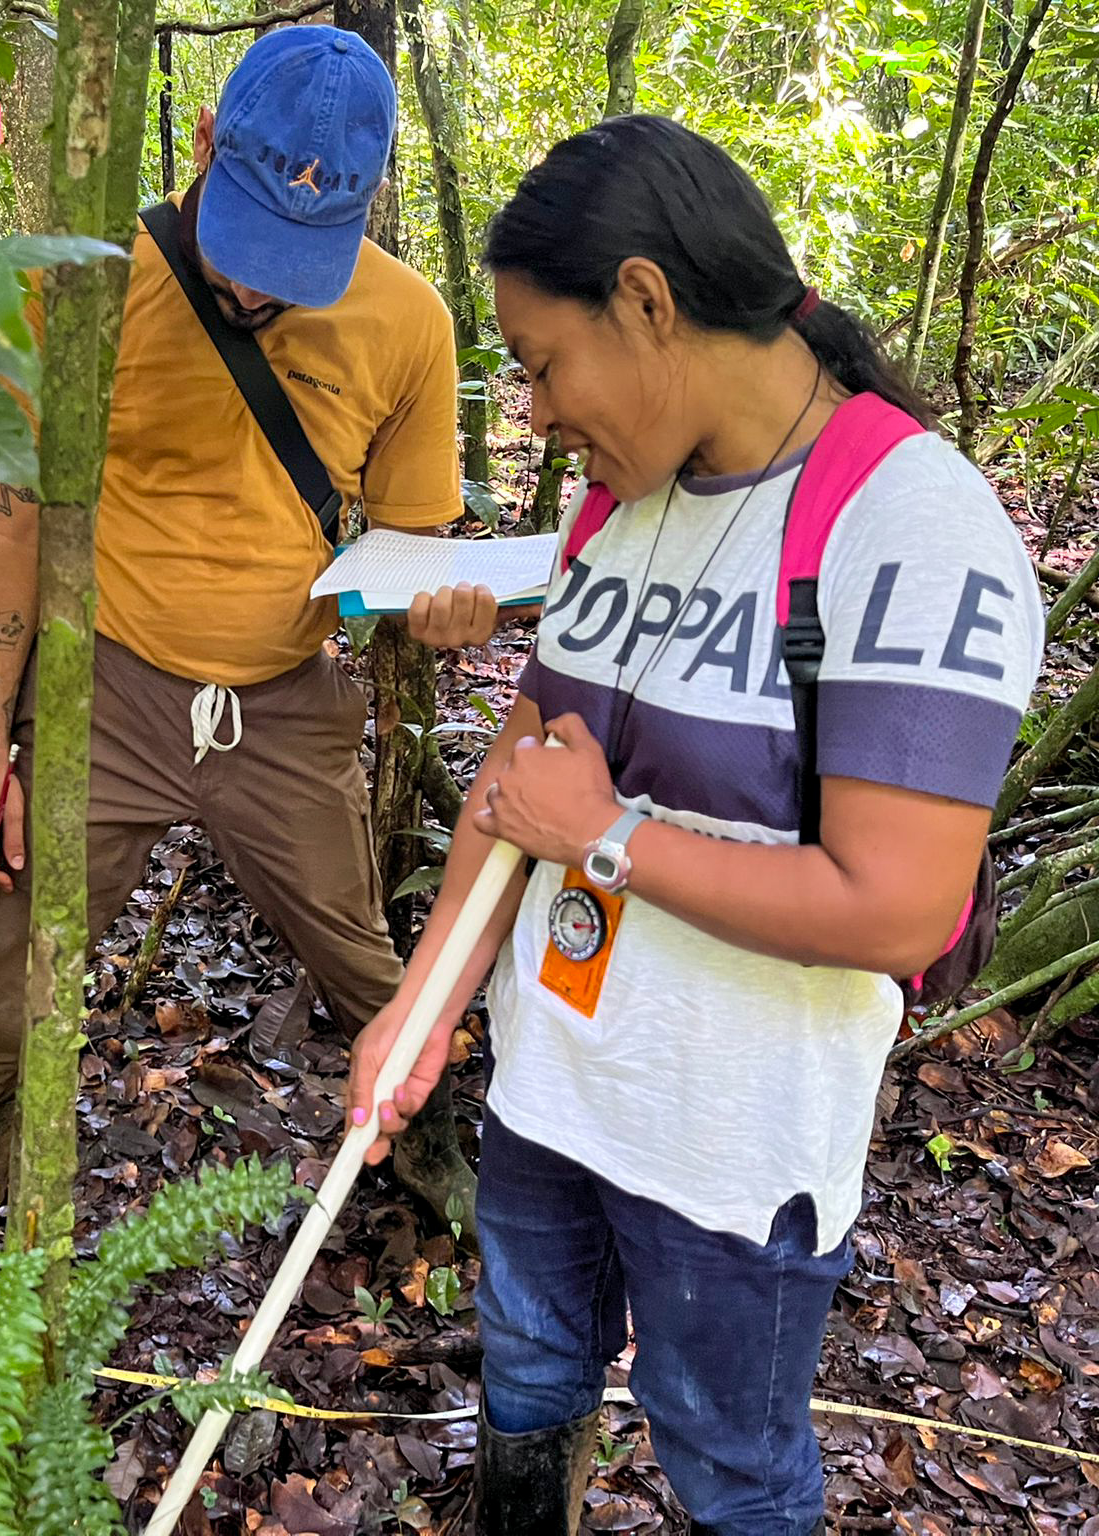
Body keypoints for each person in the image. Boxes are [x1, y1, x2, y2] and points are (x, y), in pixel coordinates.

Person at [346, 116, 1043, 1536]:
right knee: (530, 1369)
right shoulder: (624, 504)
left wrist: (611, 842)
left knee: (724, 1454)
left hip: (729, 1142)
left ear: (649, 302)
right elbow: (525, 772)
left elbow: (900, 905)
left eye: (544, 364)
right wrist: (424, 1005)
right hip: (556, 1087)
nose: (536, 412)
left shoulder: (914, 525)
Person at [0, 24, 500, 1260]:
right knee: (5, 983)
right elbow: (15, 520)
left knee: (366, 963)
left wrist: (443, 611)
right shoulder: (81, 282)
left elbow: (410, 548)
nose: (257, 289)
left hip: (283, 699)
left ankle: (424, 1143)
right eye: (249, 248)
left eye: (297, 264)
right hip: (109, 686)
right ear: (200, 141)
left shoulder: (406, 322)